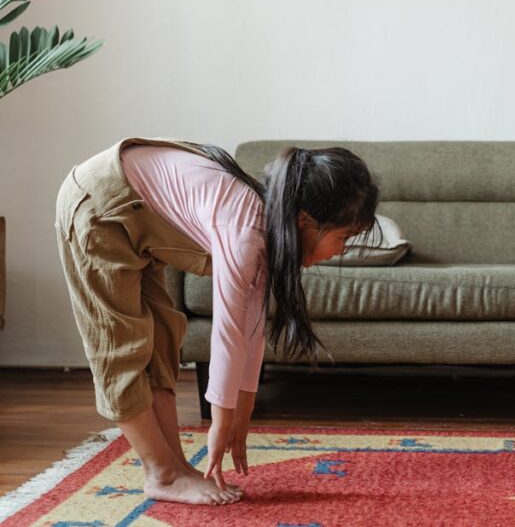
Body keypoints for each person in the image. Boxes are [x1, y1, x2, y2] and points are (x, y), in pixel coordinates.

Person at [55, 138, 380, 505]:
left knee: (161, 341)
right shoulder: (245, 232)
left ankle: (175, 467)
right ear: (306, 219)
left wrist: (243, 413)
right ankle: (162, 474)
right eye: (344, 237)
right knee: (121, 349)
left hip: (134, 212)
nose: (342, 251)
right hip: (100, 204)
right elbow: (227, 332)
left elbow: (251, 327)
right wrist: (220, 422)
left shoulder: (265, 230)